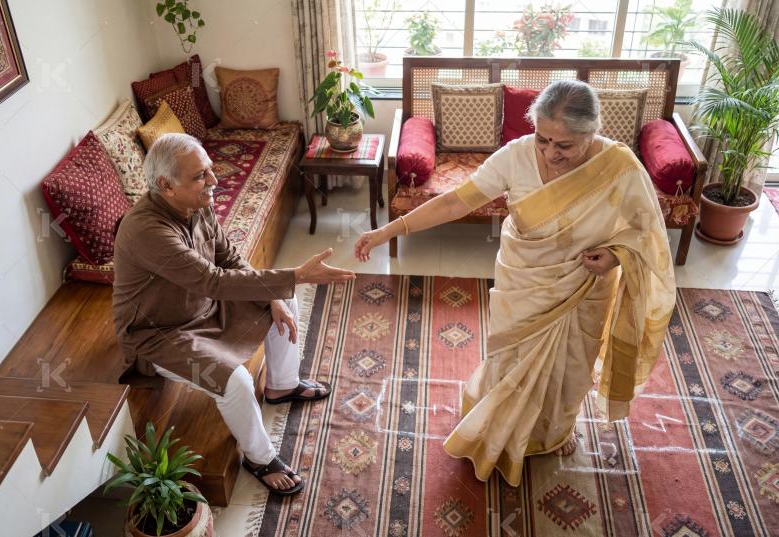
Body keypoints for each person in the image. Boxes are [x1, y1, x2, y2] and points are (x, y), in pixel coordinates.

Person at [354, 80, 675, 486]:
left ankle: (555, 430)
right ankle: (500, 420)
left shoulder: (618, 165)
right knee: (510, 356)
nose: (551, 153)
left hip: (584, 286)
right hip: (524, 278)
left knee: (571, 365)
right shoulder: (516, 156)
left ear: (591, 133)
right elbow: (455, 201)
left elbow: (646, 231)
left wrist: (615, 255)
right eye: (543, 139)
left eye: (565, 145)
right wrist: (388, 230)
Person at [113, 133, 355, 495]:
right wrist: (296, 275)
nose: (213, 180)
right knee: (235, 381)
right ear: (166, 186)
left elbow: (227, 257)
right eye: (200, 176)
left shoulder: (198, 203)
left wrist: (274, 293)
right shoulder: (147, 231)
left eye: (210, 170)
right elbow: (212, 280)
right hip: (160, 333)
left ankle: (282, 385)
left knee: (282, 302)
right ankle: (260, 459)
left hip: (205, 306)